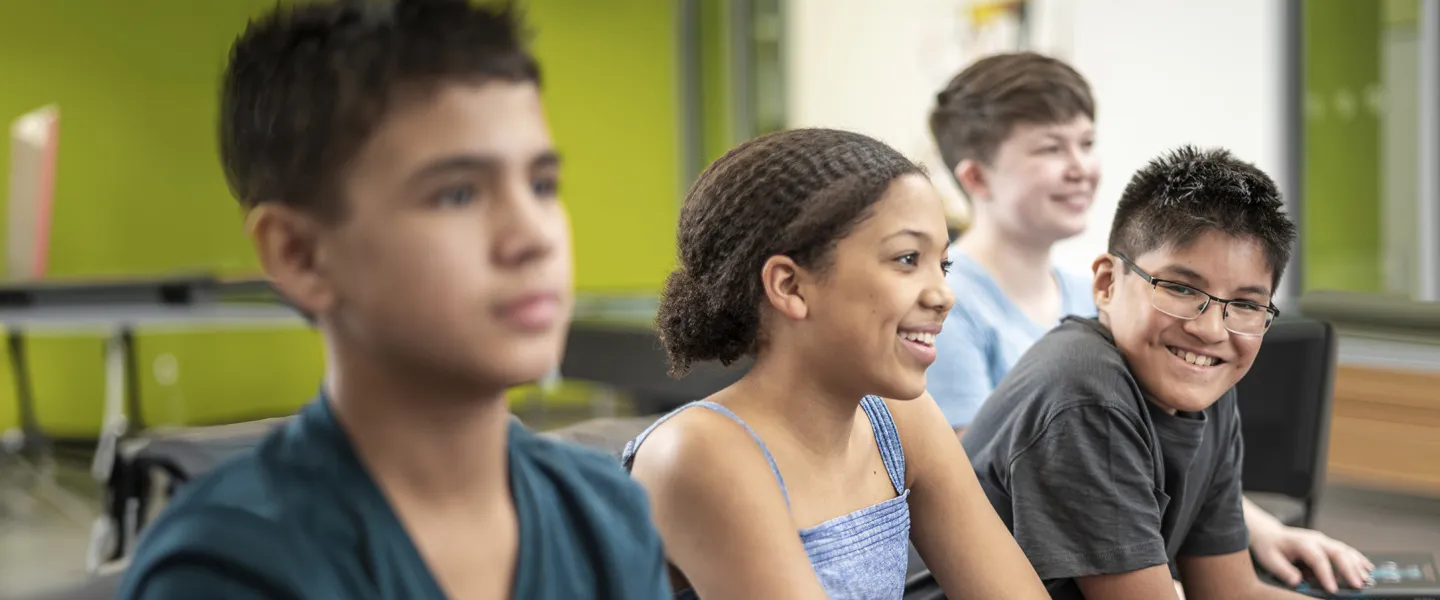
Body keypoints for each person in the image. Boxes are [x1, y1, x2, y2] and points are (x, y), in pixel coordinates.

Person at [116, 2, 670, 598]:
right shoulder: (229, 568)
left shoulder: (605, 518)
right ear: (300, 255)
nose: (533, 236)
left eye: (541, 185)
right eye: (457, 194)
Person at [925, 52, 1371, 594]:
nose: (1209, 329)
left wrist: (1259, 528)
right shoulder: (1038, 355)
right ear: (1107, 286)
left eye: (1086, 144)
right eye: (1181, 290)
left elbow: (1230, 592)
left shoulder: (1188, 368)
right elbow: (951, 483)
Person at [622, 128, 1050, 599]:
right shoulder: (698, 451)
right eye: (907, 259)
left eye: (942, 265)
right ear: (790, 286)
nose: (944, 295)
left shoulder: (902, 419)